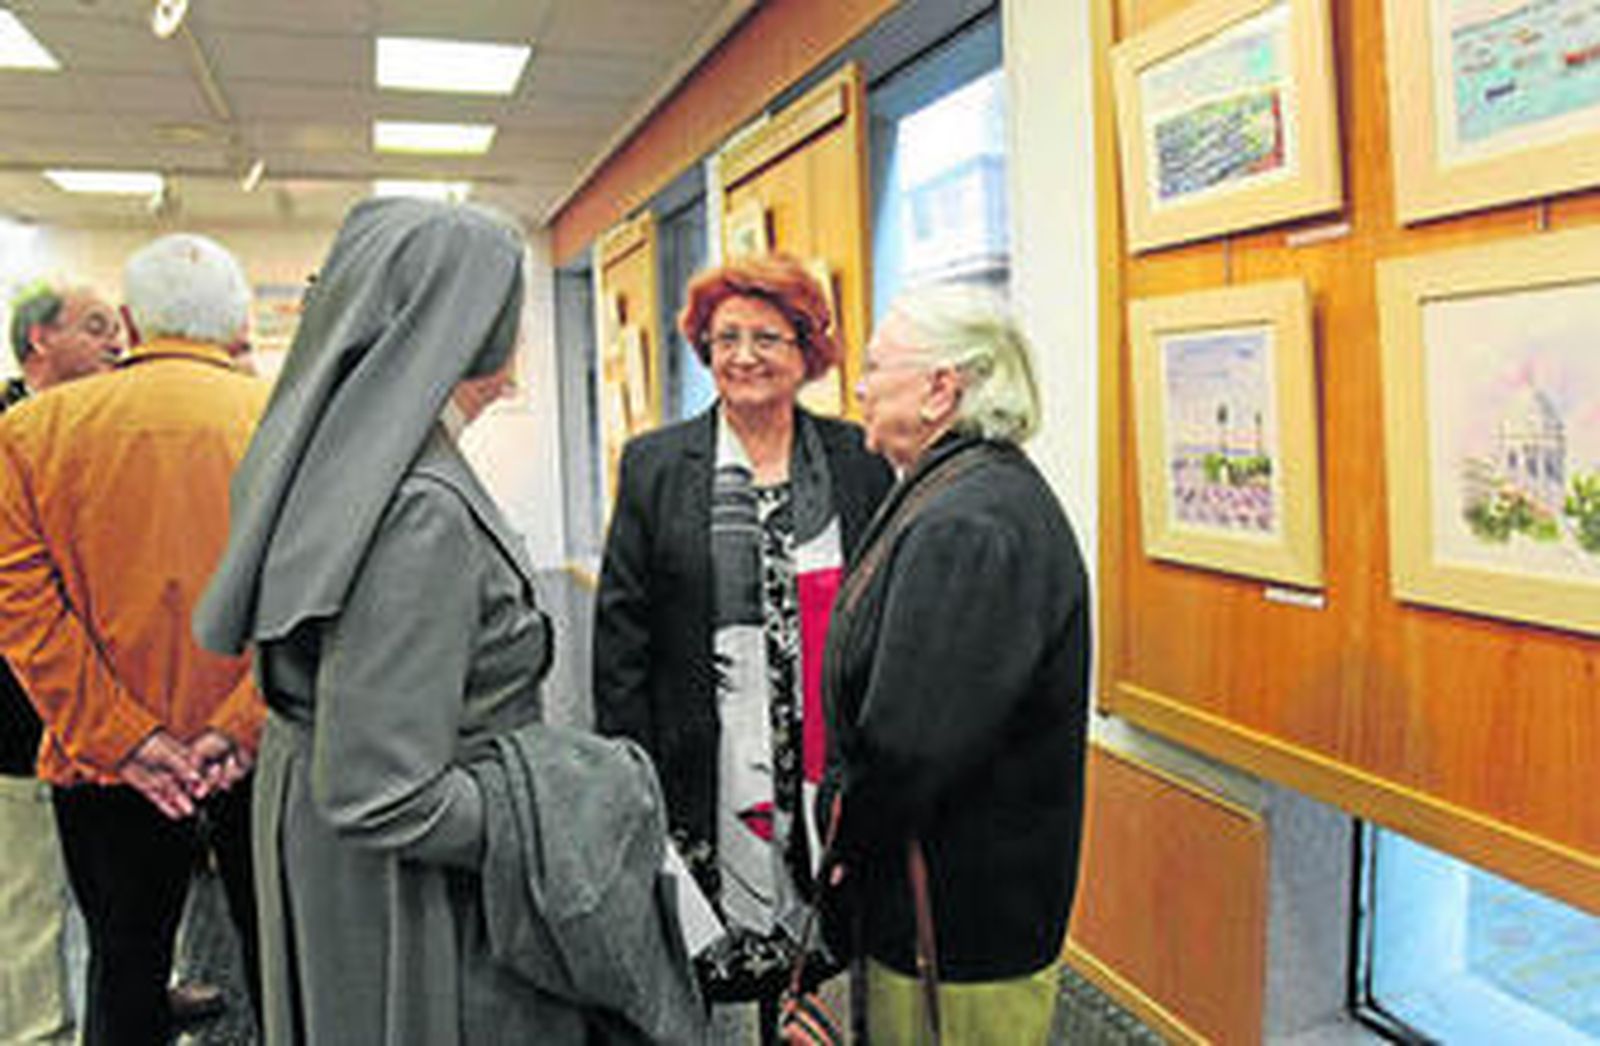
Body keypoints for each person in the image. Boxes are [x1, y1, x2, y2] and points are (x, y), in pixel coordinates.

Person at [193, 198, 572, 1044]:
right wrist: (559, 820)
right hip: (406, 891)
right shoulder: (421, 508)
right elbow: (384, 794)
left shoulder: (336, 458)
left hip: (328, 845)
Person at [594, 252, 893, 1036]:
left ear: (807, 353)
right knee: (704, 963)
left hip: (826, 760)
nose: (744, 356)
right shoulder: (658, 465)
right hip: (701, 760)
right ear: (704, 349)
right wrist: (631, 776)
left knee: (817, 948)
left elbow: (885, 616)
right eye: (726, 337)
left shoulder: (858, 461)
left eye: (768, 337)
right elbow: (621, 638)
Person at [0, 238, 267, 1046]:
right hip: (258, 756)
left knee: (124, 963)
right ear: (241, 321)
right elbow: (315, 603)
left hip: (103, 763)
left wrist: (129, 739)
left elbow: (21, 607)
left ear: (127, 321)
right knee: (275, 963)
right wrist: (239, 723)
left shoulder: (31, 432)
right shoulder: (285, 422)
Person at [819, 283, 1091, 1044]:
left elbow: (913, 743)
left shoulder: (971, 521)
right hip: (943, 898)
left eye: (877, 366)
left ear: (942, 389)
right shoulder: (957, 490)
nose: (861, 384)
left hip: (957, 917)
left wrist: (846, 847)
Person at [0, 283, 124, 1044]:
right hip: (20, 723)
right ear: (39, 340)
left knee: (127, 906)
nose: (118, 342)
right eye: (97, 327)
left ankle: (152, 1000)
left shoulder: (111, 433)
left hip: (121, 726)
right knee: (28, 902)